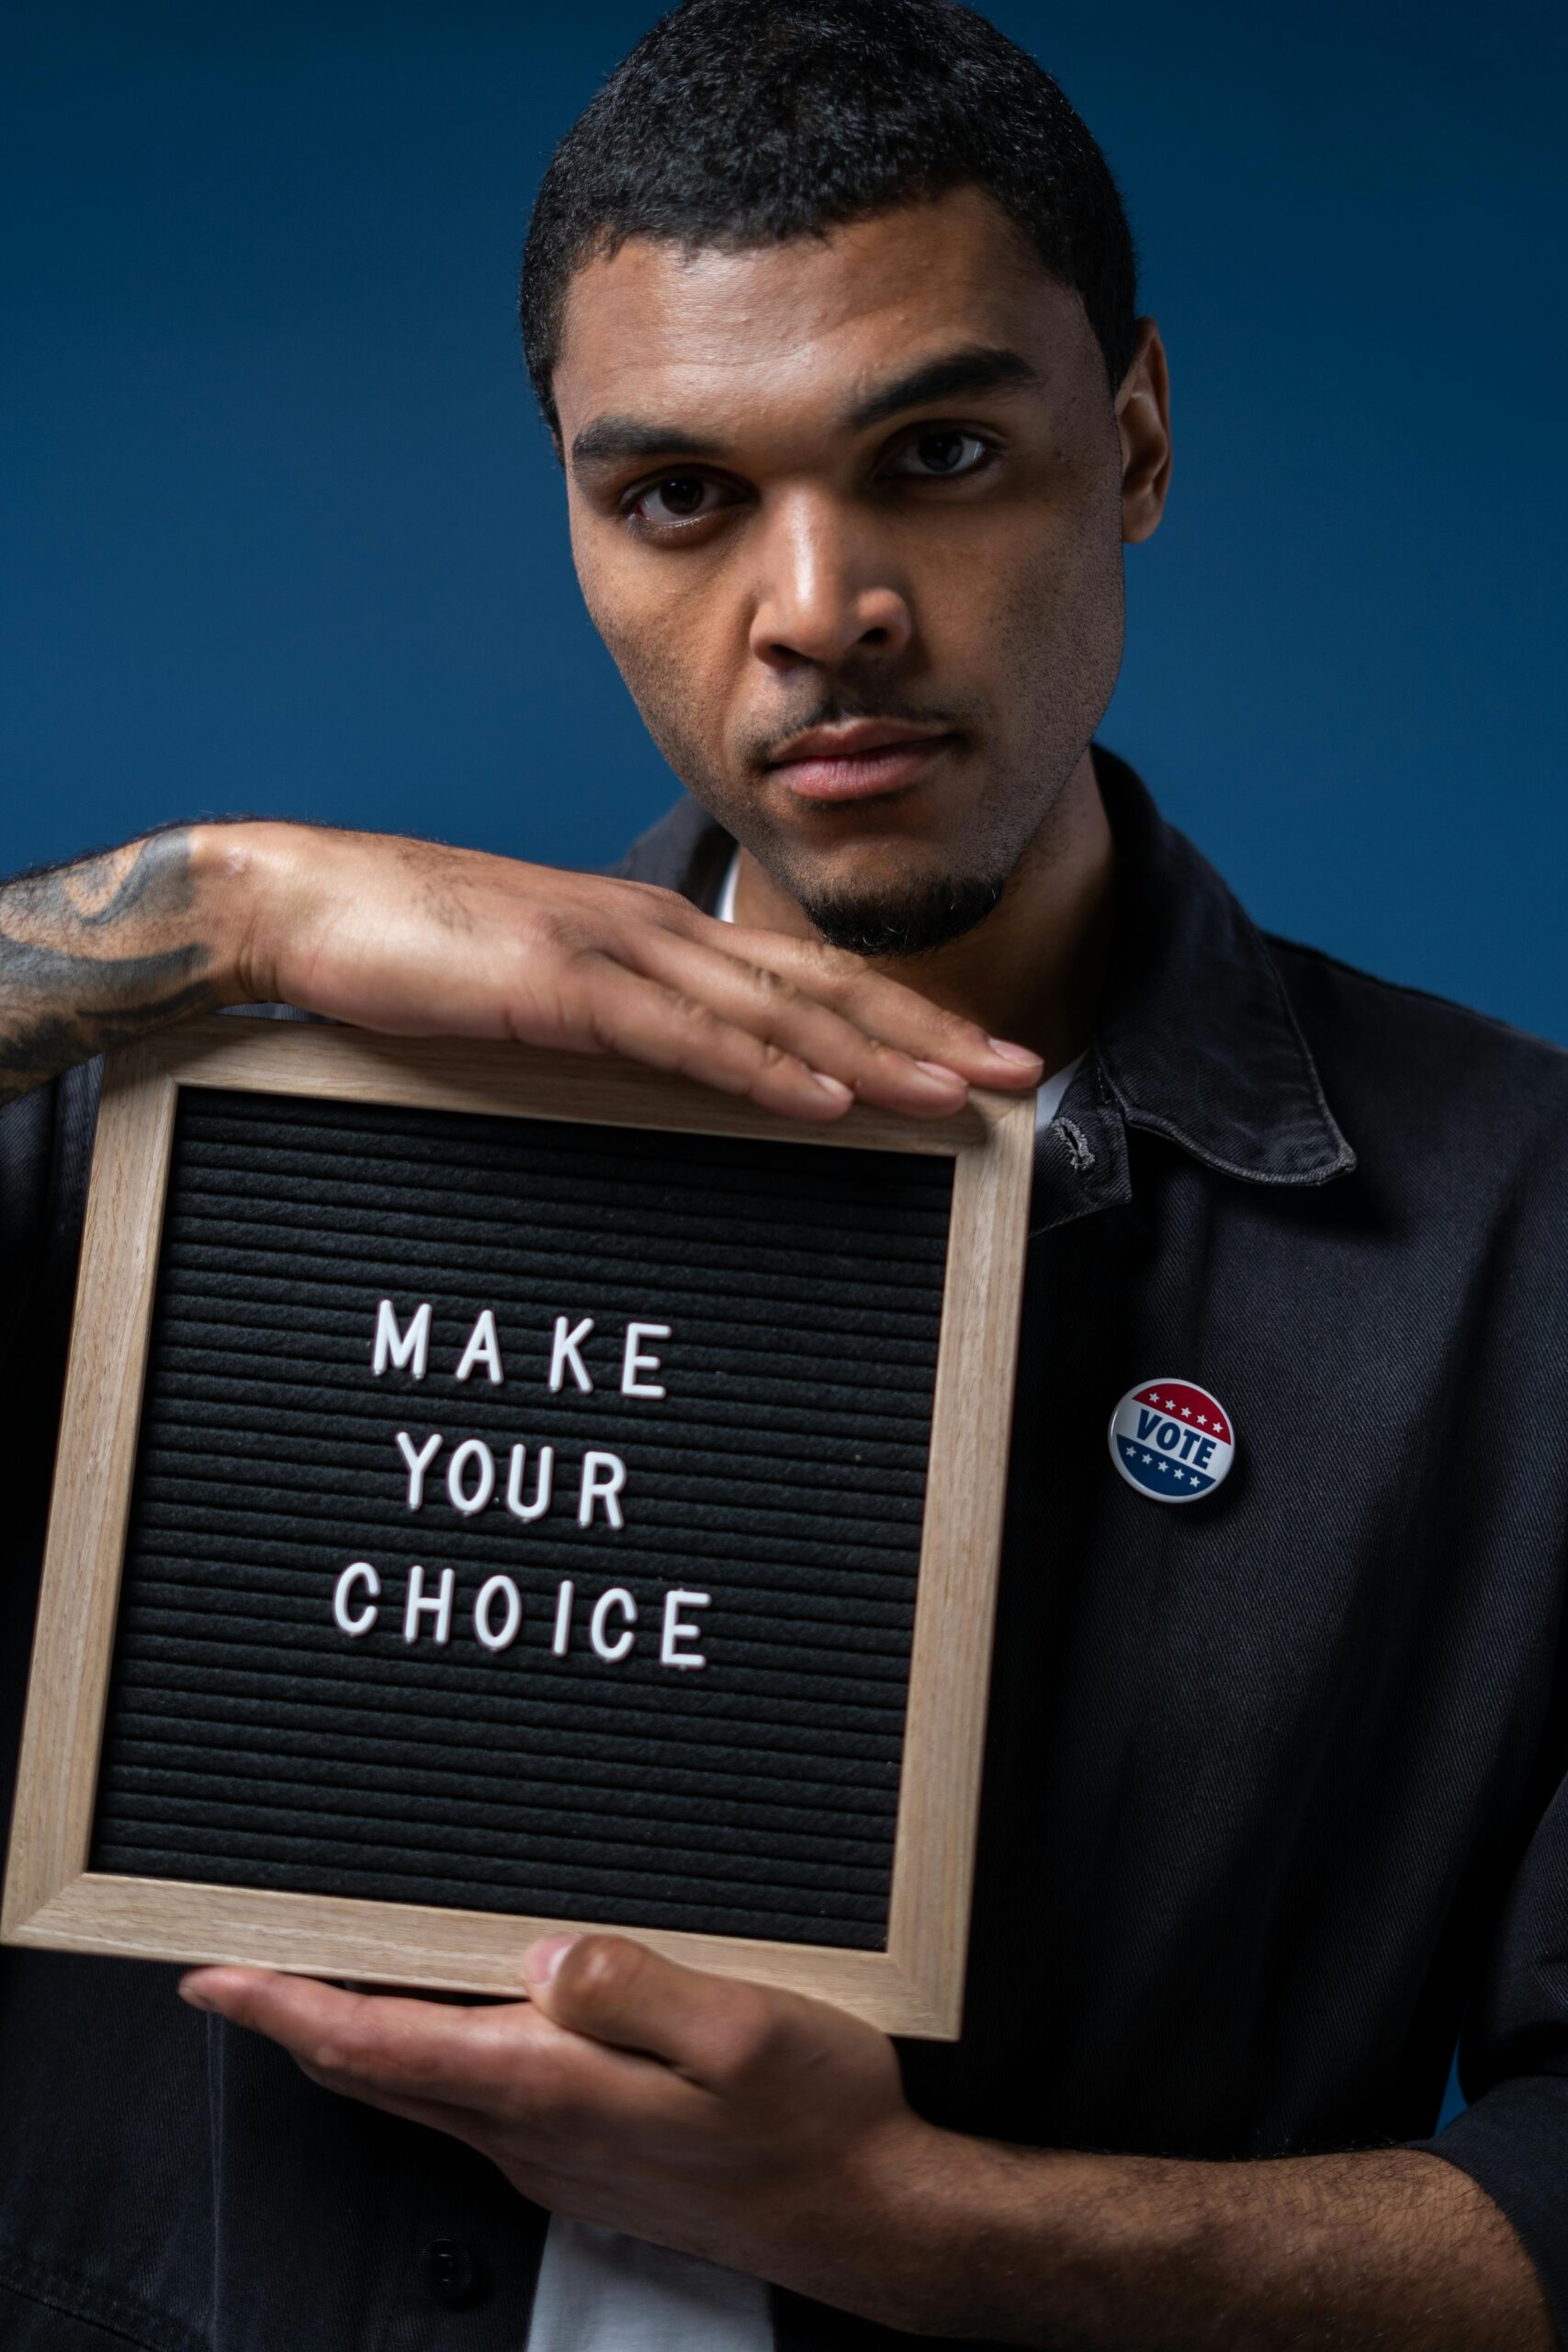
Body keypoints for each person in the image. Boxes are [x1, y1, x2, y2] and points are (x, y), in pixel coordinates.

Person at [1, 2, 1563, 2346]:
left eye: (935, 450)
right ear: (569, 505)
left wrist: (906, 2219)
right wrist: (208, 908)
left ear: (1127, 436)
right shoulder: (206, 1110)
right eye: (677, 495)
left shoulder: (1519, 1239)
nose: (817, 604)